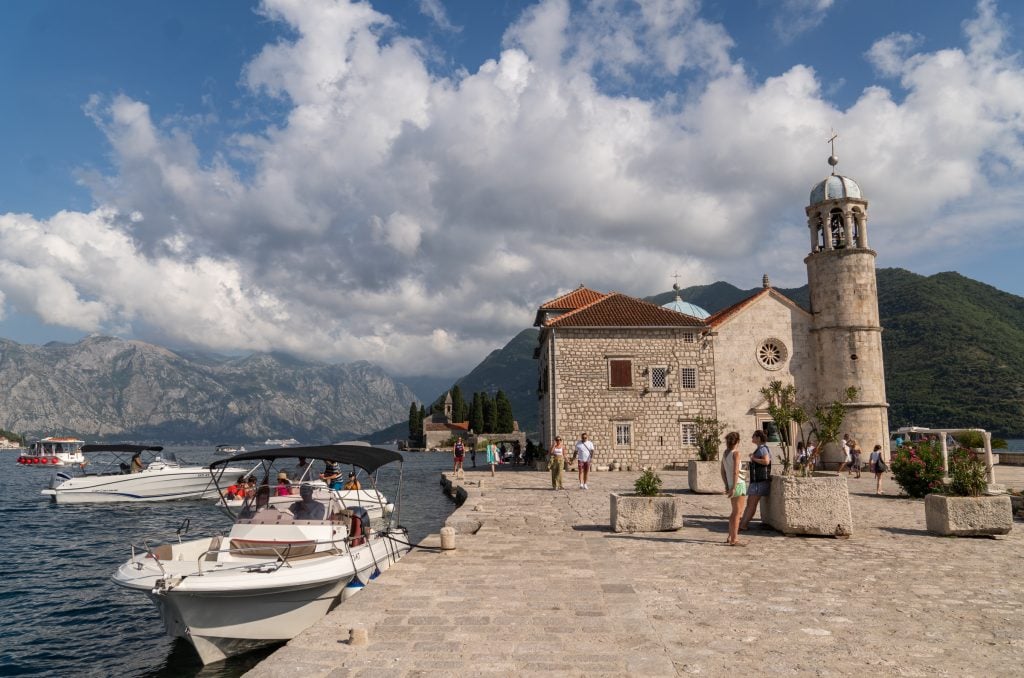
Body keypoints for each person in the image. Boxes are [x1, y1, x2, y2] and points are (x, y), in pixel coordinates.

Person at [739, 430, 772, 530]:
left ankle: (743, 524)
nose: (752, 438)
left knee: (752, 504)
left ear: (758, 438)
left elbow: (766, 461)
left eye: (753, 436)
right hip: (757, 481)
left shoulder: (762, 449)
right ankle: (742, 524)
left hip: (759, 481)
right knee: (750, 503)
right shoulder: (760, 449)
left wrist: (753, 459)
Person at [720, 431, 747, 546]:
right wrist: (735, 487)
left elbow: (722, 471)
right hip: (739, 484)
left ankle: (730, 535)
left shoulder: (725, 453)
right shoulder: (736, 454)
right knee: (738, 513)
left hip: (731, 484)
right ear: (737, 441)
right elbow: (736, 471)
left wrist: (727, 485)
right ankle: (734, 539)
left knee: (734, 512)